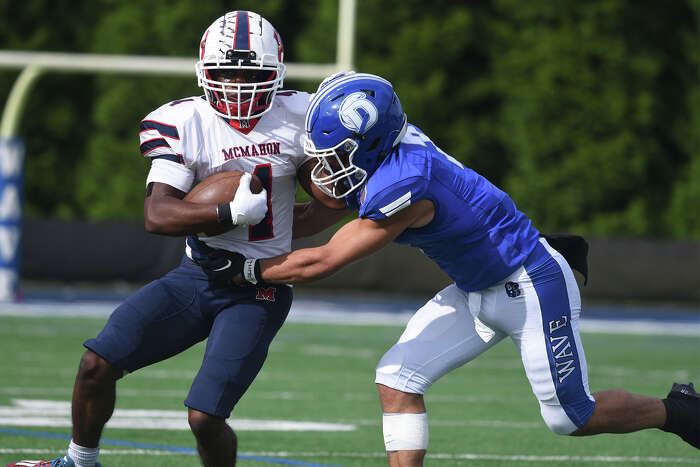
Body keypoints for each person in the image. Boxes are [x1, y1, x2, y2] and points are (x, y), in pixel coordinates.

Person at [232, 72, 700, 466]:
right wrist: (237, 229)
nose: (323, 167)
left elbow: (323, 260)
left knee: (571, 417)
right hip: (476, 289)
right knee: (397, 379)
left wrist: (242, 269)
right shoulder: (387, 155)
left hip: (529, 283)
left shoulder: (405, 182)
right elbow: (320, 215)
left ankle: (680, 412)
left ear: (370, 145)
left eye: (335, 156)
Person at [7, 11, 347, 467]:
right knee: (95, 366)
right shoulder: (184, 120)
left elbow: (330, 201)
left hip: (258, 290)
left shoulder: (298, 116)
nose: (240, 85)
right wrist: (229, 213)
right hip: (199, 276)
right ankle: (78, 462)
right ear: (205, 72)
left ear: (277, 74)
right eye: (228, 72)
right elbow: (158, 213)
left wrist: (297, 217)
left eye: (253, 74)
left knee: (205, 418)